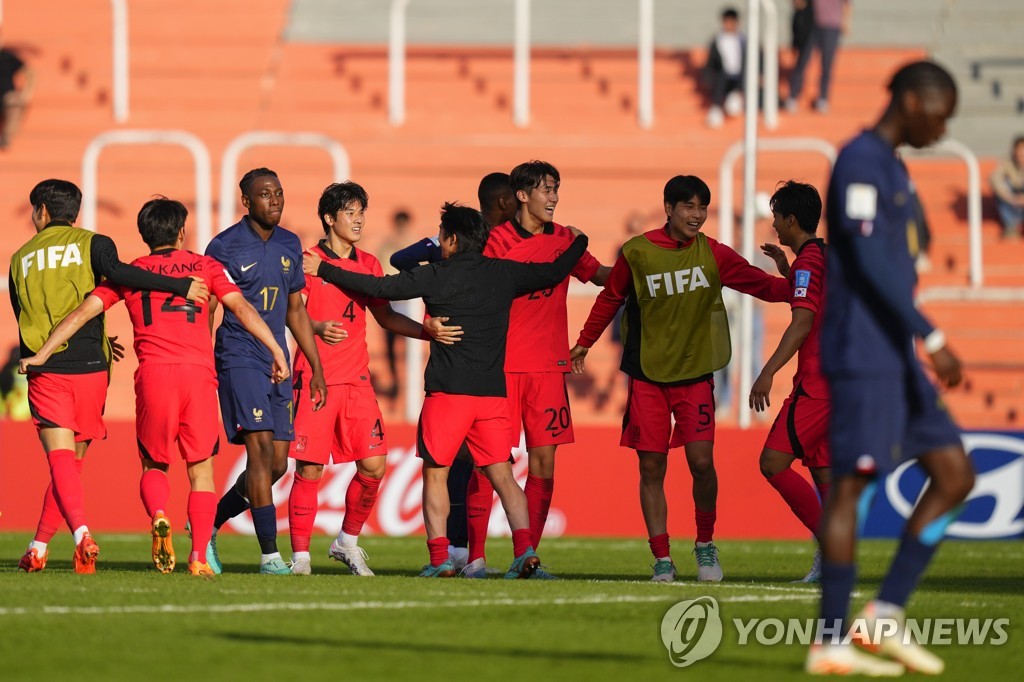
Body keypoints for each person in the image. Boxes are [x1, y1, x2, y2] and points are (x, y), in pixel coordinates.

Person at [305, 202, 590, 579]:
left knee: (436, 475)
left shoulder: (435, 275)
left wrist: (324, 268)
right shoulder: (503, 273)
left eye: (442, 236)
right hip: (492, 394)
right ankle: (524, 552)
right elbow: (554, 272)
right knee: (503, 475)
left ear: (452, 240)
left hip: (447, 394)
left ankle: (440, 559)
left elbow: (378, 286)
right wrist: (579, 240)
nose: (439, 242)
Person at [805, 61, 975, 676]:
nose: (943, 126)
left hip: (895, 358)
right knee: (851, 486)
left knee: (955, 474)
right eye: (940, 111)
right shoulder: (859, 160)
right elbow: (873, 264)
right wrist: (931, 333)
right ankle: (829, 643)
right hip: (865, 355)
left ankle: (884, 615)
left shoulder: (894, 166)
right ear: (910, 99)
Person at [19, 197, 288, 577]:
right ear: (181, 232)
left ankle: (159, 515)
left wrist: (43, 353)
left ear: (145, 235)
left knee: (153, 464)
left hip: (154, 376)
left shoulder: (130, 274)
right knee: (201, 471)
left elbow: (83, 312)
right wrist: (276, 348)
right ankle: (197, 556)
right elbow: (241, 308)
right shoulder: (205, 267)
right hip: (197, 375)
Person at [570, 175, 789, 583]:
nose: (697, 215)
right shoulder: (637, 253)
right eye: (688, 206)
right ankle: (662, 559)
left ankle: (705, 545)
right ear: (669, 208)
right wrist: (584, 343)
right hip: (648, 376)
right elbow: (609, 298)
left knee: (702, 463)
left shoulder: (714, 254)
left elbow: (765, 288)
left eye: (702, 208)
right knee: (652, 467)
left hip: (695, 375)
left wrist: (793, 277)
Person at [10, 179, 208, 574]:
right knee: (73, 465)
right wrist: (179, 285)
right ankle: (38, 547)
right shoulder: (93, 243)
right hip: (92, 366)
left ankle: (82, 533)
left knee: (60, 461)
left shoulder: (19, 258)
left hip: (47, 366)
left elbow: (24, 314)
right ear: (74, 212)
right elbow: (118, 277)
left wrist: (40, 355)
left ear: (42, 212)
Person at [286, 182, 460, 576]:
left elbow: (384, 316)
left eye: (362, 210)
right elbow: (286, 310)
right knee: (310, 469)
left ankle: (347, 542)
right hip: (315, 378)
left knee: (374, 465)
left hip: (357, 381)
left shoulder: (368, 264)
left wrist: (425, 331)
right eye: (350, 212)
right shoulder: (307, 261)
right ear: (330, 219)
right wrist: (313, 326)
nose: (359, 218)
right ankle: (299, 558)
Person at [465, 160, 610, 580]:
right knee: (488, 462)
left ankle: (525, 556)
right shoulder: (495, 241)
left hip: (548, 367)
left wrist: (642, 274)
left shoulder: (566, 239)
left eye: (557, 188)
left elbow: (600, 275)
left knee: (544, 465)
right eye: (547, 189)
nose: (554, 197)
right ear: (522, 195)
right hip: (502, 367)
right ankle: (475, 559)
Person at [388, 171, 517, 574]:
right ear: (501, 204)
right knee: (463, 467)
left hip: (482, 370)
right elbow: (399, 261)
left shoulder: (498, 252)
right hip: (471, 375)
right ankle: (464, 553)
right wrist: (434, 247)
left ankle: (469, 555)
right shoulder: (470, 248)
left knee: (472, 468)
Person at [204, 168, 327, 575]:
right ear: (247, 202)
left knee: (277, 465)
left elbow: (295, 310)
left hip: (279, 362)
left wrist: (316, 367)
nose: (274, 200)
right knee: (258, 453)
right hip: (239, 357)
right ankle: (271, 557)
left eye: (279, 192)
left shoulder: (291, 244)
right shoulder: (223, 246)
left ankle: (206, 525)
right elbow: (210, 309)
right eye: (265, 194)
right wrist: (204, 360)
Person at [748, 180, 830, 584]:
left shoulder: (811, 263)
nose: (774, 226)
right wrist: (787, 268)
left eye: (777, 218)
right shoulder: (822, 257)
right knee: (823, 472)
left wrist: (767, 372)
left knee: (773, 462)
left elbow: (802, 323)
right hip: (842, 383)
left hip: (818, 383)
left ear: (791, 219)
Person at [785, 0, 850, 113]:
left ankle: (823, 98)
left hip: (832, 25)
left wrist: (846, 22)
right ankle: (792, 96)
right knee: (802, 61)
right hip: (811, 25)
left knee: (827, 64)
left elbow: (847, 4)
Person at [377, 209, 413, 399]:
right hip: (393, 300)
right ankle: (396, 381)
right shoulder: (387, 245)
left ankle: (408, 382)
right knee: (390, 347)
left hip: (410, 302)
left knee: (411, 346)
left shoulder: (414, 244)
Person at [703, 7, 745, 129]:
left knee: (734, 105)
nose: (729, 25)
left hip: (739, 79)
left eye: (731, 22)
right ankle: (716, 109)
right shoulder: (717, 41)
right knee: (720, 83)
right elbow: (711, 64)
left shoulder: (744, 41)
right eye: (726, 21)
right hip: (723, 77)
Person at [0, 36, 35, 149]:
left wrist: (26, 93)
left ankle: (6, 137)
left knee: (14, 103)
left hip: (7, 98)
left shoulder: (7, 57)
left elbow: (30, 72)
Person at [990, 135, 1024, 240]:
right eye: (1019, 150)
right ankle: (1011, 227)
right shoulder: (1007, 163)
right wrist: (1011, 198)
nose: (1021, 154)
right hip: (1012, 202)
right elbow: (995, 179)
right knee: (1004, 185)